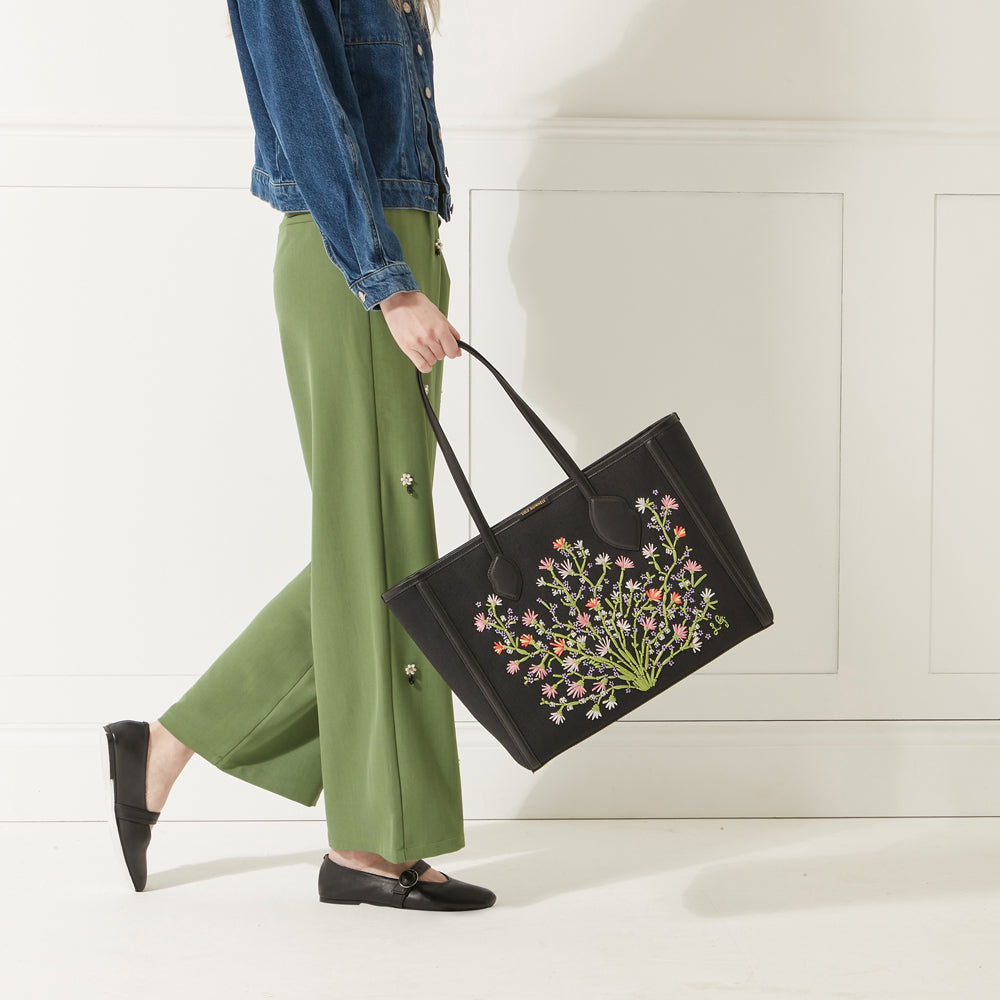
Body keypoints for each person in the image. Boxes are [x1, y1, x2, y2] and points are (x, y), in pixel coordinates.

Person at [103, 0, 496, 912]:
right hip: (354, 262)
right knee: (380, 543)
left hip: (399, 245)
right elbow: (307, 110)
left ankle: (164, 748)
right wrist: (386, 282)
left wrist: (409, 264)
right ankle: (366, 846)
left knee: (381, 546)